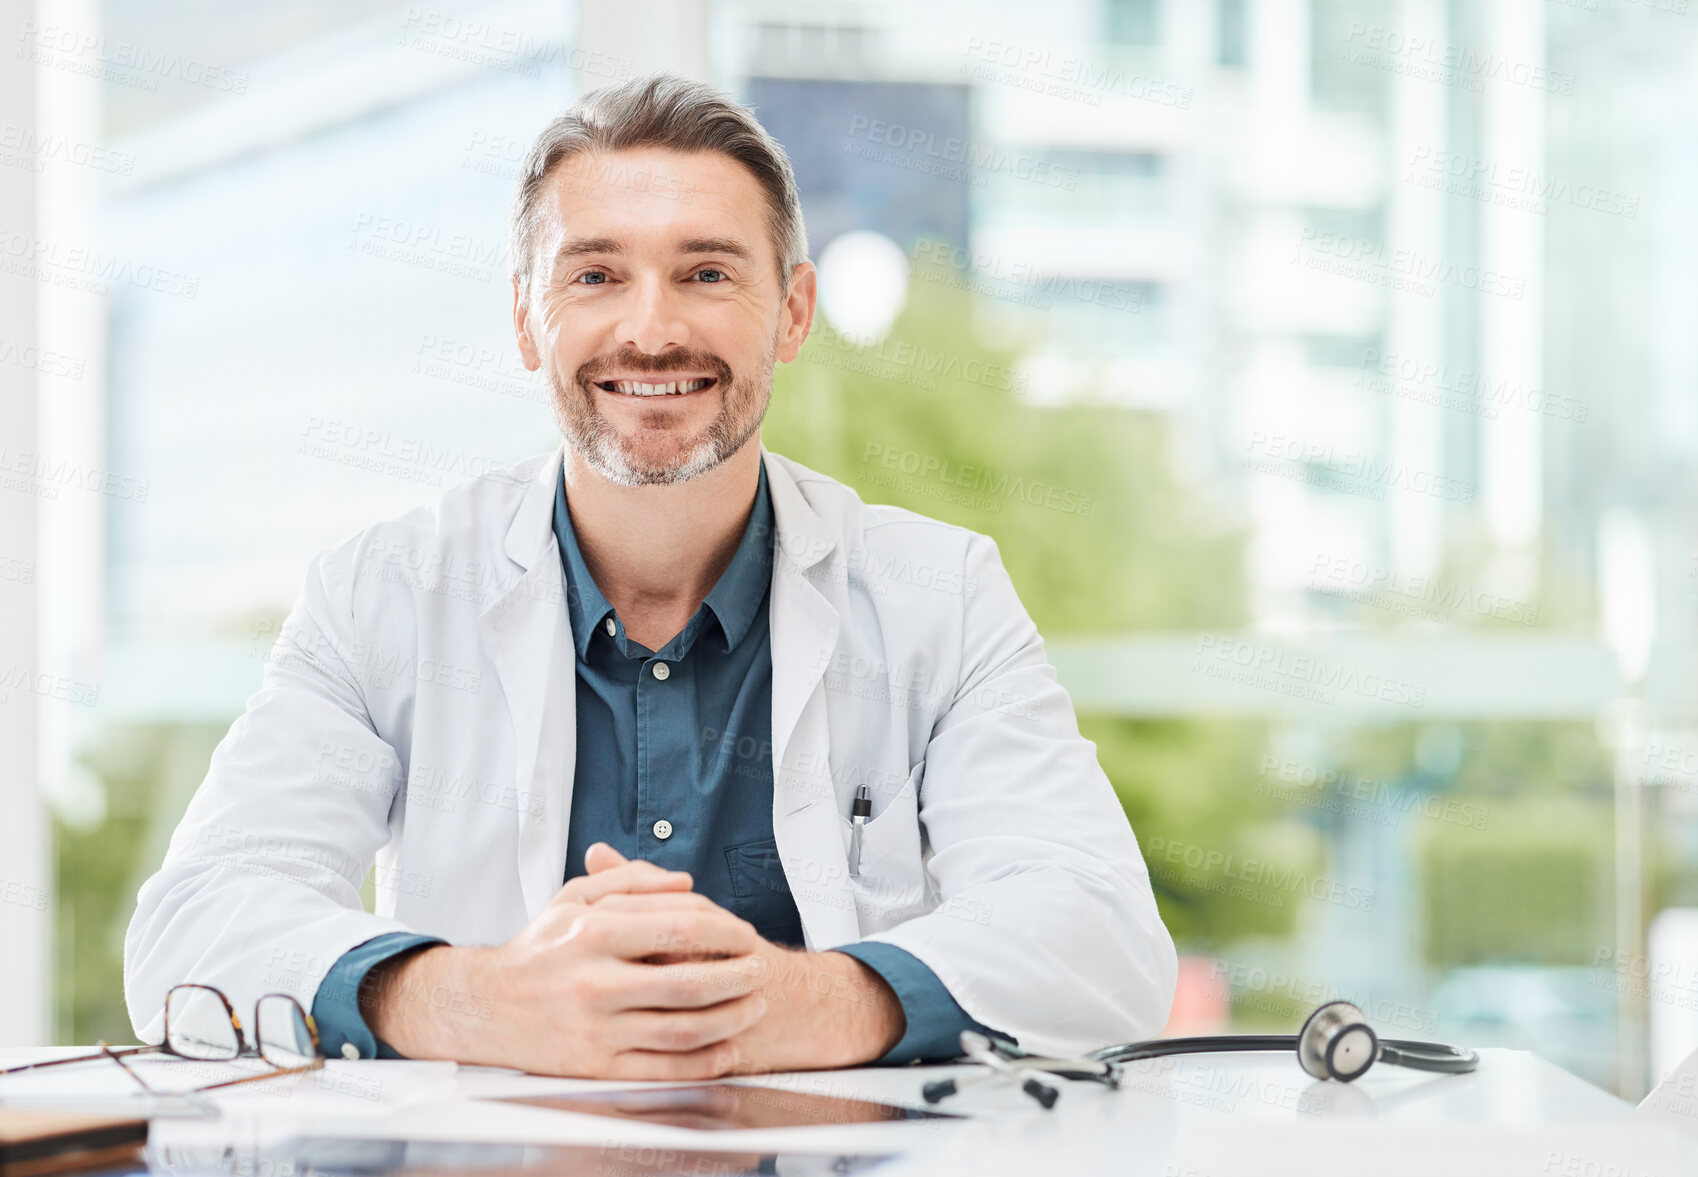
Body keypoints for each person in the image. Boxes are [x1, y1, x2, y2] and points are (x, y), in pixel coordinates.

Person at [124, 73, 1176, 1080]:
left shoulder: (940, 594)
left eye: (707, 272)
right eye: (595, 275)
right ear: (529, 320)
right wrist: (488, 1001)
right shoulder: (382, 593)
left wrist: (793, 1003)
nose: (652, 327)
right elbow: (194, 922)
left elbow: (1103, 935)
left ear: (793, 311)